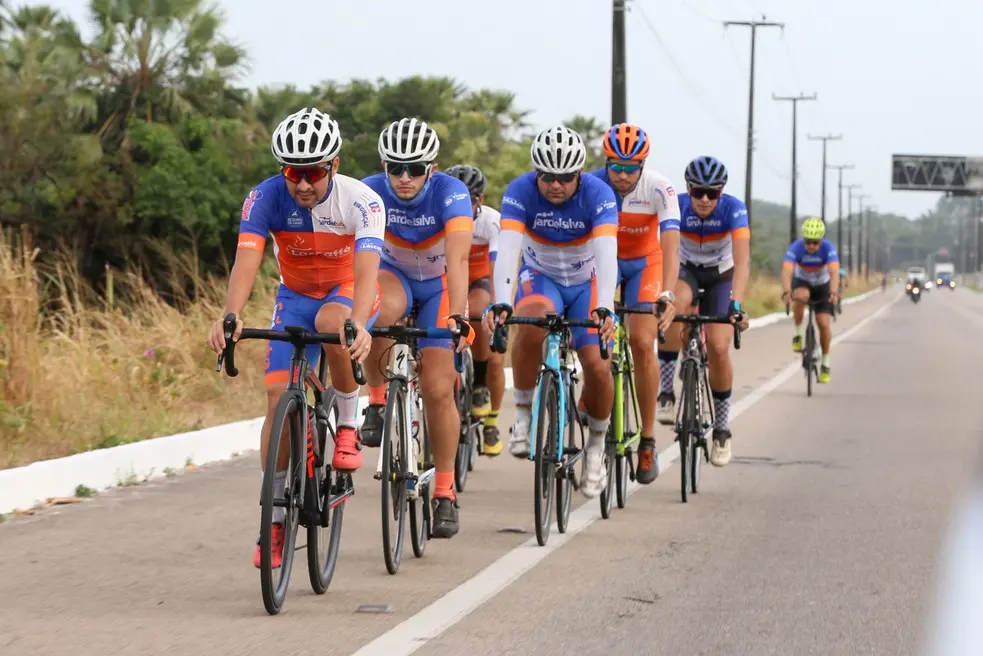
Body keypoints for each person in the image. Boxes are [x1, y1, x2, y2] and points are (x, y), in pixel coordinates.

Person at [206, 107, 384, 568]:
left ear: (334, 165)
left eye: (313, 173)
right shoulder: (264, 197)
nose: (302, 184)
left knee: (332, 325)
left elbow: (367, 274)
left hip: (346, 293)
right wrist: (231, 315)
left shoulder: (361, 201)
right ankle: (277, 516)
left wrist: (359, 322)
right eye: (292, 172)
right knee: (274, 398)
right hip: (295, 296)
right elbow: (247, 259)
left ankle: (347, 422)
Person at [483, 125, 618, 499]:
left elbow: (608, 255)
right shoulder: (520, 191)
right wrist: (502, 300)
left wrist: (606, 305)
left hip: (586, 282)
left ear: (579, 174)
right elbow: (508, 250)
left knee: (597, 365)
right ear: (535, 173)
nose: (555, 185)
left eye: (564, 177)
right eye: (546, 177)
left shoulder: (599, 194)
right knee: (530, 325)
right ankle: (524, 415)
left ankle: (595, 445)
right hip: (541, 276)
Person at [359, 118, 475, 538]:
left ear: (433, 168)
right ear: (384, 165)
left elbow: (460, 261)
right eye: (395, 168)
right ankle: (374, 400)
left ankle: (445, 492)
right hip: (396, 277)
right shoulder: (369, 190)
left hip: (439, 286)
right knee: (378, 311)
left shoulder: (452, 193)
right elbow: (358, 258)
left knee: (439, 388)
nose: (403, 178)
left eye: (415, 169)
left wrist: (459, 315)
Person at [588, 123, 679, 485]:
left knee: (642, 342)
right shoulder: (592, 186)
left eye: (631, 168)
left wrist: (668, 293)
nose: (623, 175)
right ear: (606, 161)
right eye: (616, 166)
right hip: (603, 263)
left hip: (645, 264)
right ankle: (592, 395)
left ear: (643, 165)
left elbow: (671, 241)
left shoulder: (659, 187)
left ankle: (647, 440)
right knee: (594, 346)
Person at [655, 156, 750, 467]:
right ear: (688, 189)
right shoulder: (676, 205)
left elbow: (743, 260)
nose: (705, 199)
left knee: (721, 347)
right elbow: (662, 250)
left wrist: (736, 303)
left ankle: (722, 428)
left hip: (721, 275)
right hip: (686, 271)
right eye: (698, 192)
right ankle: (667, 391)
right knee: (674, 307)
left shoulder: (734, 209)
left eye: (713, 193)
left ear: (721, 192)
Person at [445, 164, 506, 456]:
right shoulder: (439, 216)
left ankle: (483, 391)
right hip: (449, 278)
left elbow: (498, 269)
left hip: (480, 279)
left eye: (466, 200)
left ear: (478, 201)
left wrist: (497, 306)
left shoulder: (491, 223)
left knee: (482, 315)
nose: (458, 206)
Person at [781, 217, 840, 384]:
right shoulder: (796, 248)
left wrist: (834, 292)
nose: (811, 246)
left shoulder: (828, 248)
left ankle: (826, 363)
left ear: (821, 241)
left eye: (815, 242)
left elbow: (834, 272)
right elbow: (786, 271)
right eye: (808, 242)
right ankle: (799, 334)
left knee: (823, 323)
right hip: (803, 282)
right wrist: (786, 291)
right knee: (801, 296)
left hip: (823, 286)